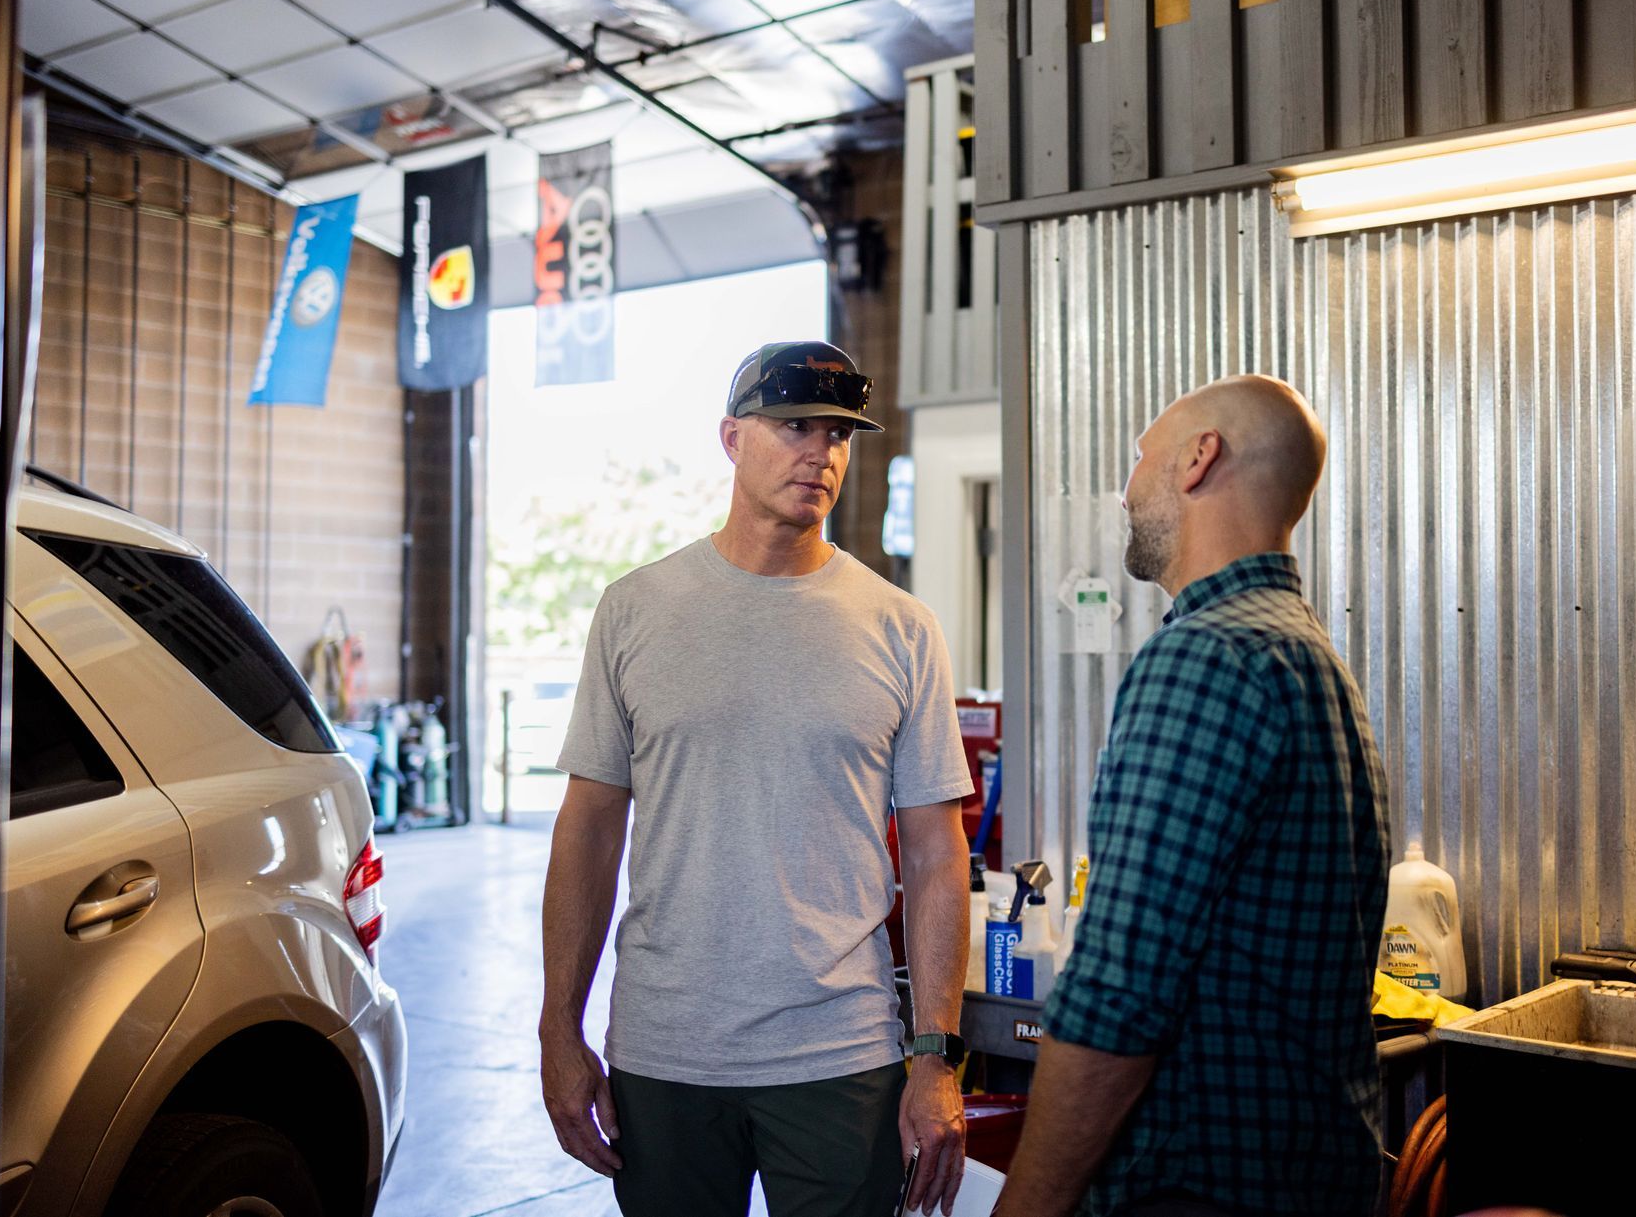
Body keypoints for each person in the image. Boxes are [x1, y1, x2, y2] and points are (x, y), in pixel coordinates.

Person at [540, 341, 974, 1217]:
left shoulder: (901, 626)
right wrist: (559, 1027)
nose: (821, 453)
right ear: (732, 438)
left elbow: (937, 853)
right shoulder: (634, 609)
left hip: (841, 1054)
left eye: (838, 435)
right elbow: (588, 827)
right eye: (795, 426)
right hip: (666, 1050)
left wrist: (936, 1058)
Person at [995, 375, 1392, 1217]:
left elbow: (1120, 993)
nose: (1126, 491)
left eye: (1140, 458)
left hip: (1197, 1191)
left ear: (1198, 458)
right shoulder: (1307, 657)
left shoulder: (1207, 658)